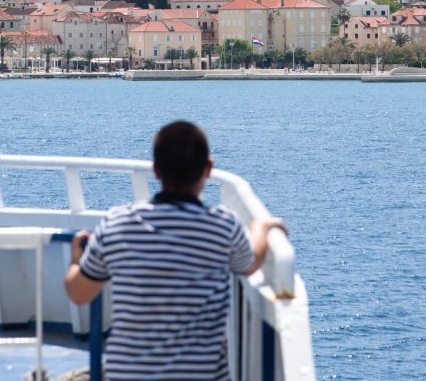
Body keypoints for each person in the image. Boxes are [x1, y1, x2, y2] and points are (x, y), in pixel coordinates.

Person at [64, 120, 286, 380]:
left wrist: (75, 261)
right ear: (208, 169)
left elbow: (79, 294)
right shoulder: (222, 225)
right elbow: (251, 263)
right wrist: (260, 227)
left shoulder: (118, 223)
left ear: (156, 171)